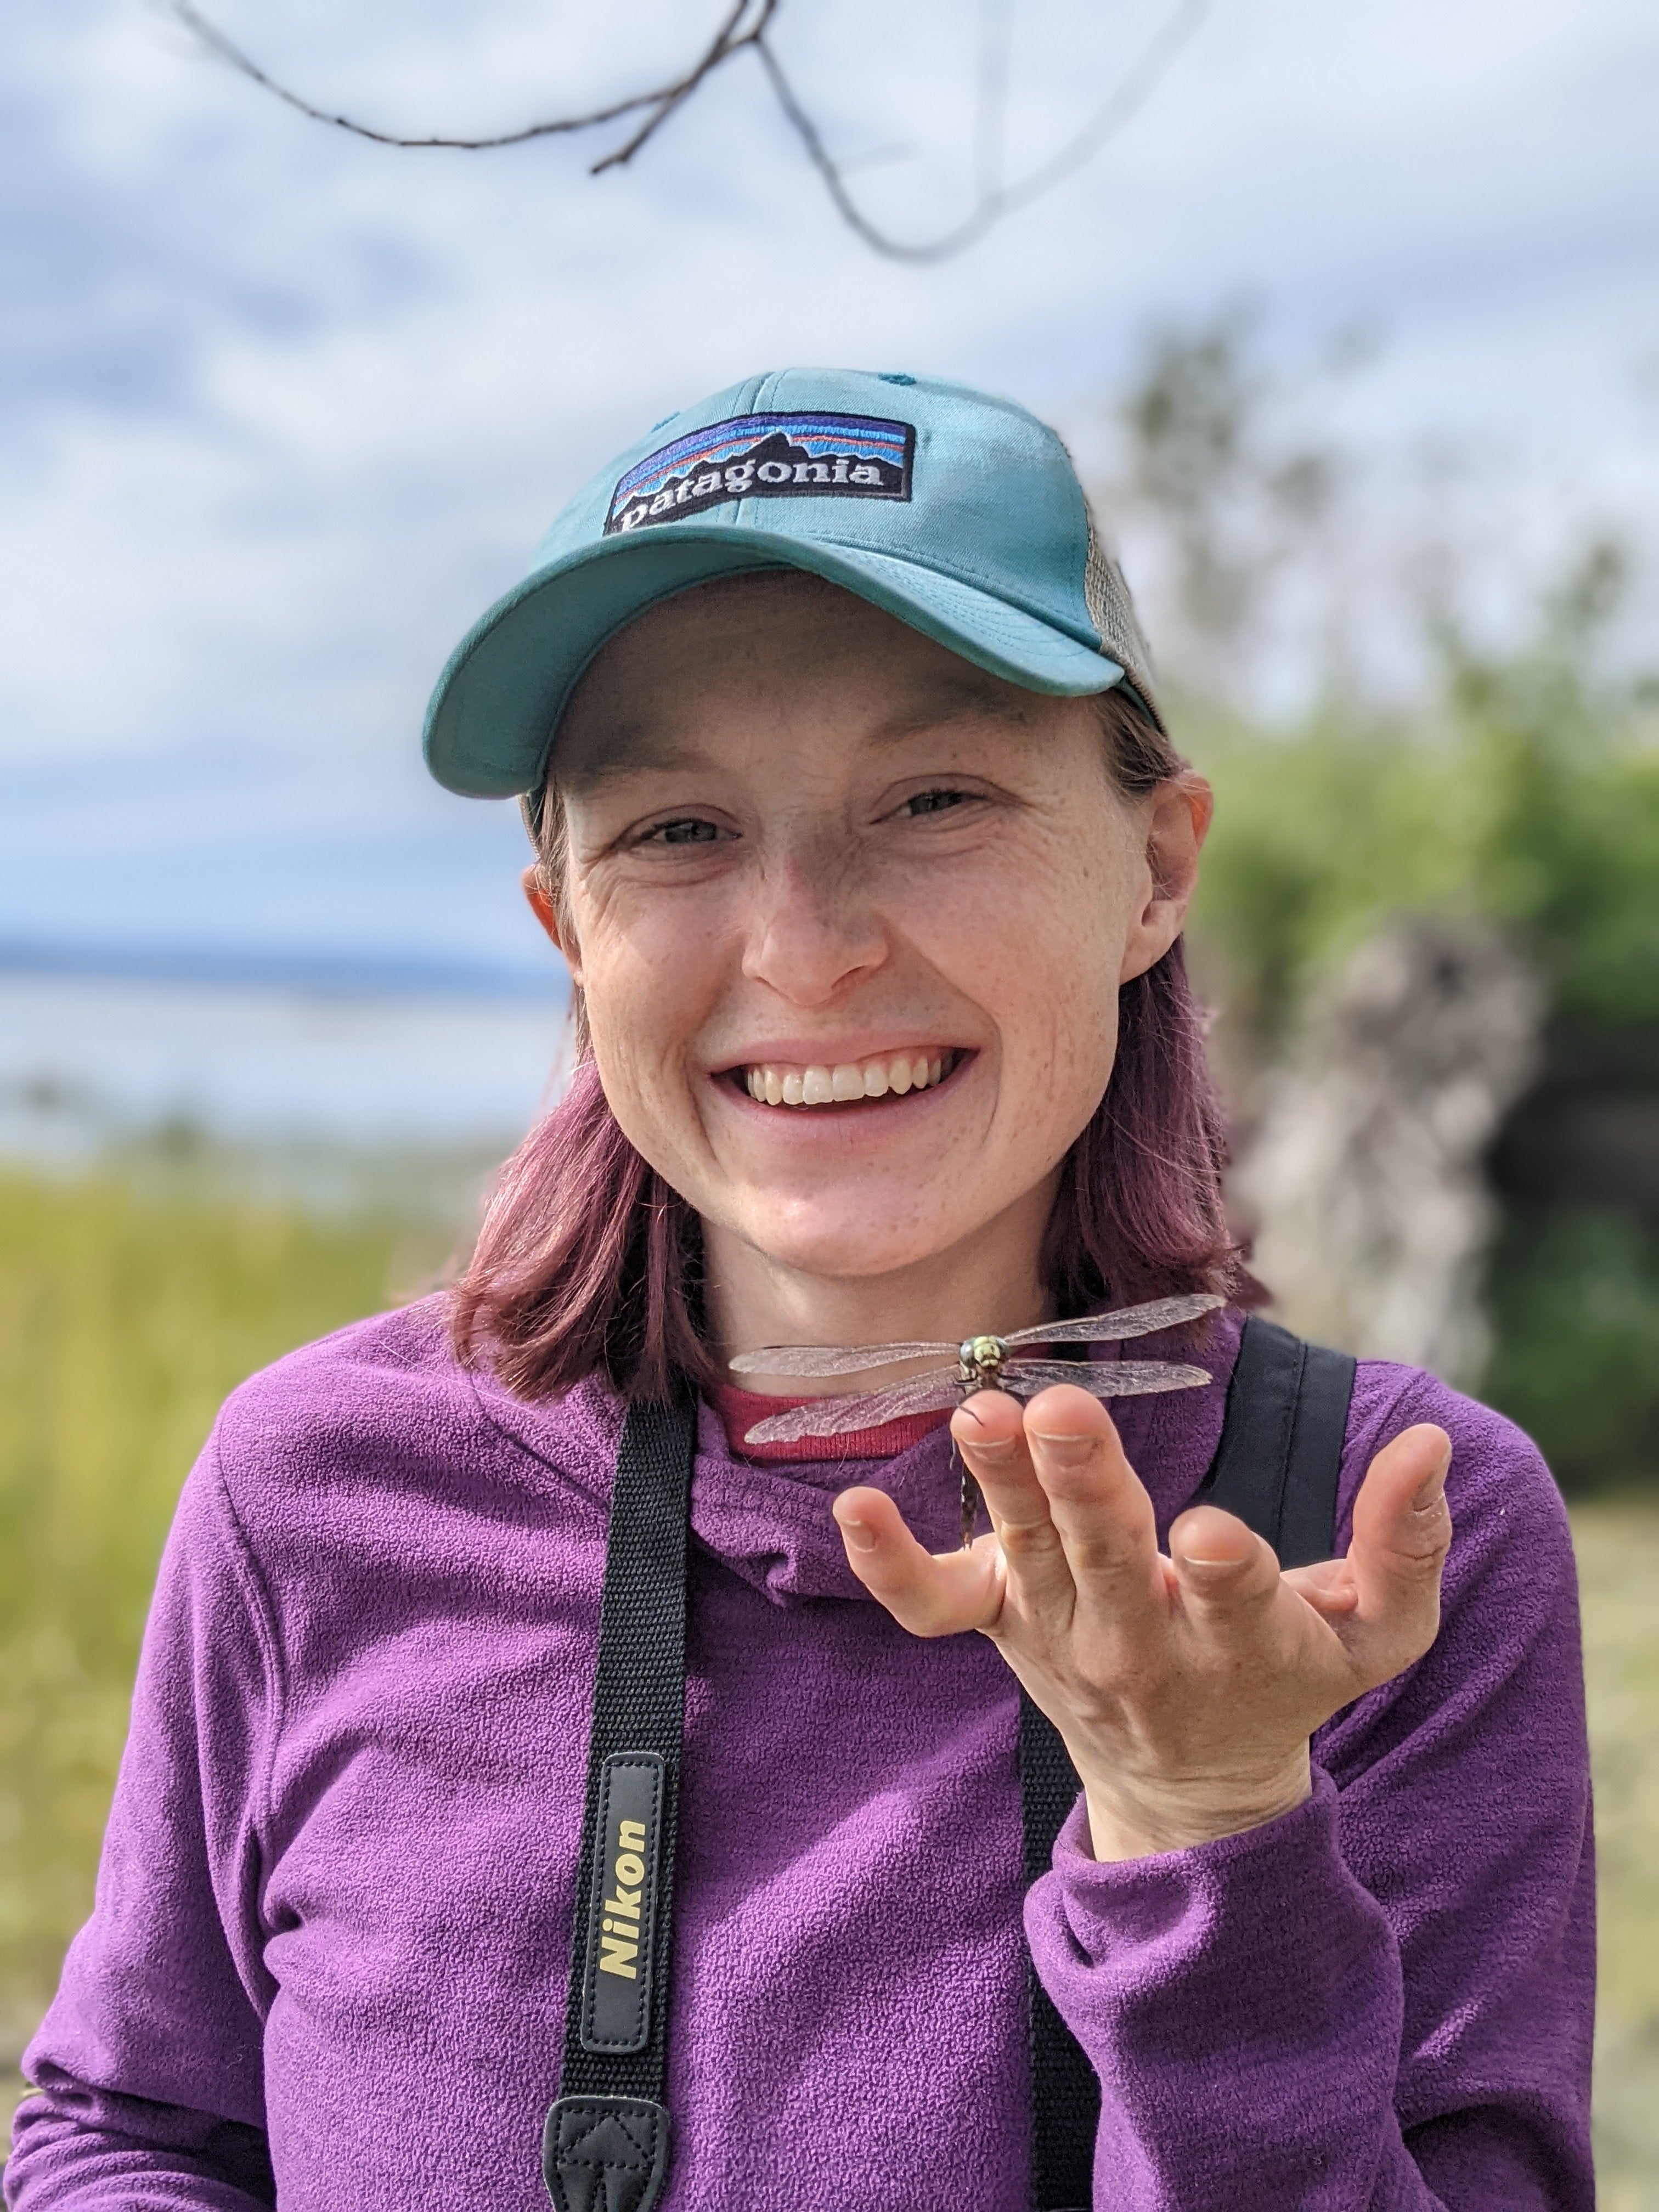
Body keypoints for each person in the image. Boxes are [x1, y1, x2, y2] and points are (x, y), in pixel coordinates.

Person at [7, 369, 1593, 2211]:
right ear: (568, 929)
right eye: (676, 831)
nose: (806, 951)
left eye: (933, 796)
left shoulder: (1378, 1544)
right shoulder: (312, 1488)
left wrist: (1207, 1824)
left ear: (1155, 869)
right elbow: (135, 2130)